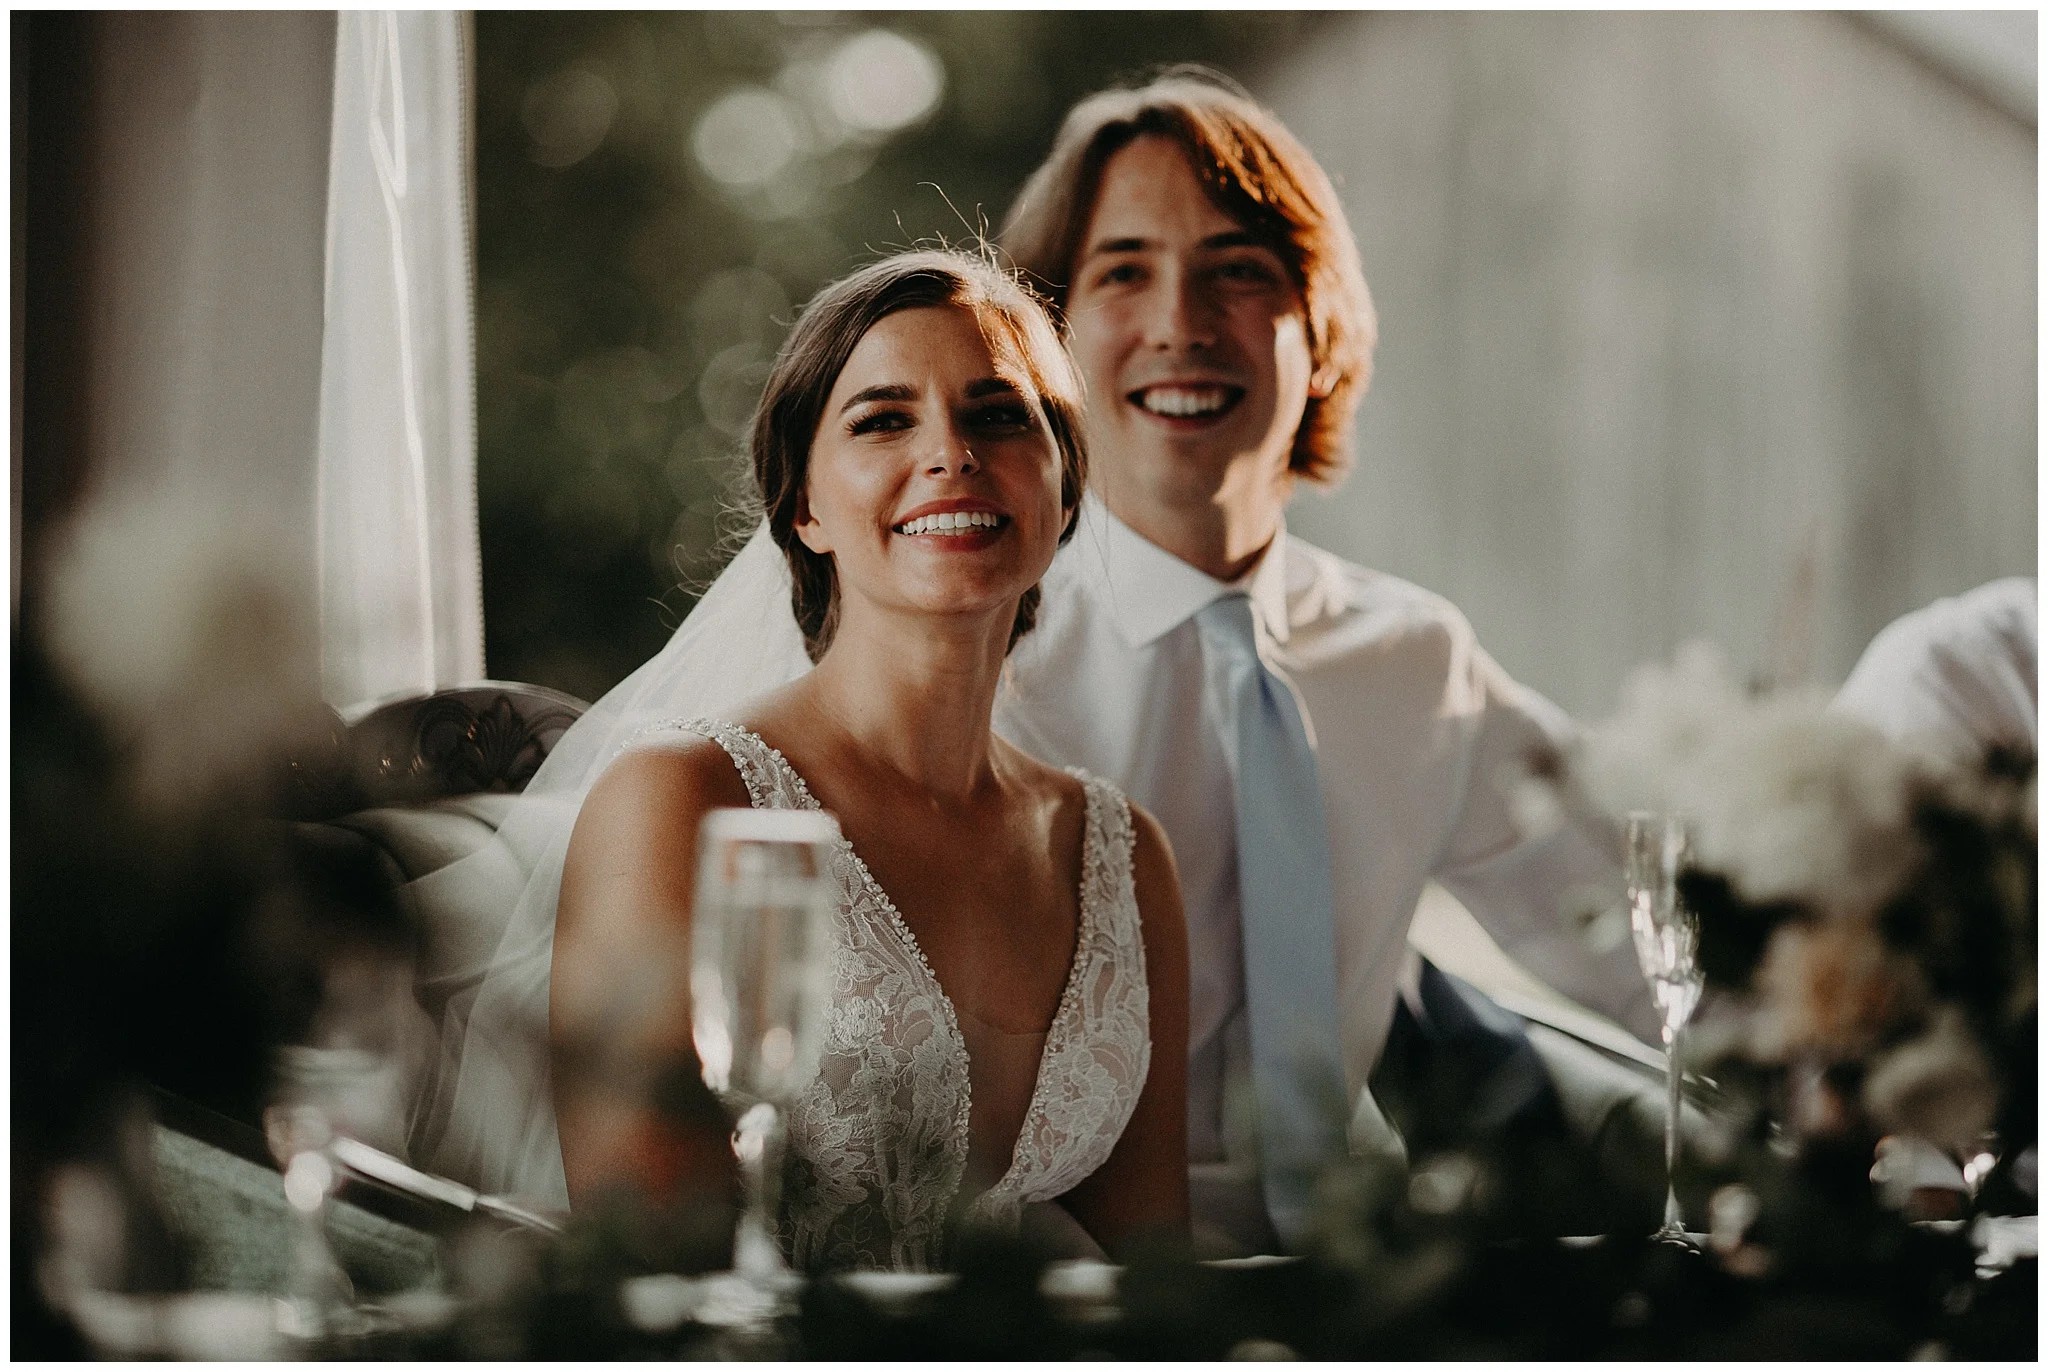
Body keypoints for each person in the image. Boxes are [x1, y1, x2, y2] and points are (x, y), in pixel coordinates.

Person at [987, 71, 1661, 1253]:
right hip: (1059, 1281)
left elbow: (1645, 949)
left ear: (1320, 323)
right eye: (1121, 271)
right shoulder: (971, 653)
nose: (1180, 323)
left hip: (1362, 1281)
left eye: (1238, 269)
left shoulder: (1413, 657)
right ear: (1044, 333)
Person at [542, 251, 1189, 1271]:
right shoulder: (680, 803)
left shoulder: (1119, 852)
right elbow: (656, 1274)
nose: (950, 454)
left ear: (1064, 492)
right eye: (884, 419)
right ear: (802, 507)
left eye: (997, 415)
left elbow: (1155, 1283)